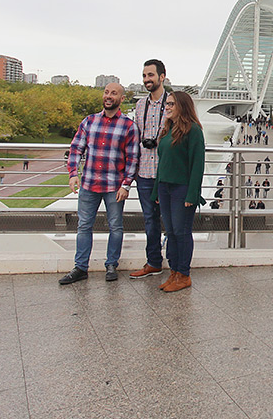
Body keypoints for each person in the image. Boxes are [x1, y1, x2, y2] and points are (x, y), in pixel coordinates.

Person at [59, 83, 140, 285]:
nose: (108, 96)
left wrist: (126, 185)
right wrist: (72, 173)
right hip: (89, 184)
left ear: (122, 99)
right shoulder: (89, 121)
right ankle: (80, 267)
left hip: (114, 187)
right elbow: (76, 148)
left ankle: (111, 264)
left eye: (114, 93)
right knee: (84, 226)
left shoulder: (129, 126)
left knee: (116, 226)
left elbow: (132, 159)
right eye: (106, 92)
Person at [155, 91, 205, 293]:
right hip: (164, 188)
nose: (166, 107)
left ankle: (184, 275)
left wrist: (192, 194)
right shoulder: (168, 130)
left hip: (181, 189)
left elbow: (197, 165)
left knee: (182, 232)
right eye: (166, 104)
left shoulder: (193, 131)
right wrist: (156, 192)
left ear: (182, 106)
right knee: (171, 233)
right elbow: (162, 163)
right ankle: (174, 272)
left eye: (171, 104)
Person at [128, 59, 173, 280]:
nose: (147, 80)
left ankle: (176, 265)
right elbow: (135, 137)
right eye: (144, 76)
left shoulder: (173, 104)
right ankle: (154, 262)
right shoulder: (139, 105)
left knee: (171, 220)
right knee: (150, 220)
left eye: (151, 75)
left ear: (162, 77)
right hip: (144, 173)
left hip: (166, 173)